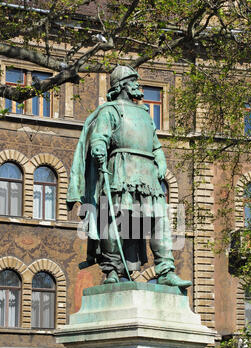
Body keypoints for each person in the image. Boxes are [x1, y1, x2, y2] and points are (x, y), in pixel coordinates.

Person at [67, 65, 192, 288]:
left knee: (158, 222)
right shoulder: (110, 110)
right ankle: (113, 270)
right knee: (115, 220)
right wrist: (98, 147)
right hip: (121, 170)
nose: (138, 86)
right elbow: (100, 136)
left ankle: (165, 270)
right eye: (133, 81)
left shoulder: (145, 114)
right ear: (122, 85)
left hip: (147, 174)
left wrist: (160, 160)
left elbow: (155, 145)